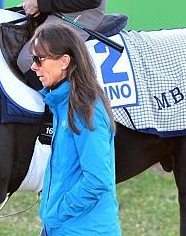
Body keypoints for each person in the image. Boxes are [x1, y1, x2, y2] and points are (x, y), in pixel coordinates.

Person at [29, 23, 121, 235]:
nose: (34, 67)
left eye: (39, 59)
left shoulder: (84, 109)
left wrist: (59, 211)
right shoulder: (64, 104)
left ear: (64, 61)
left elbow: (97, 180)